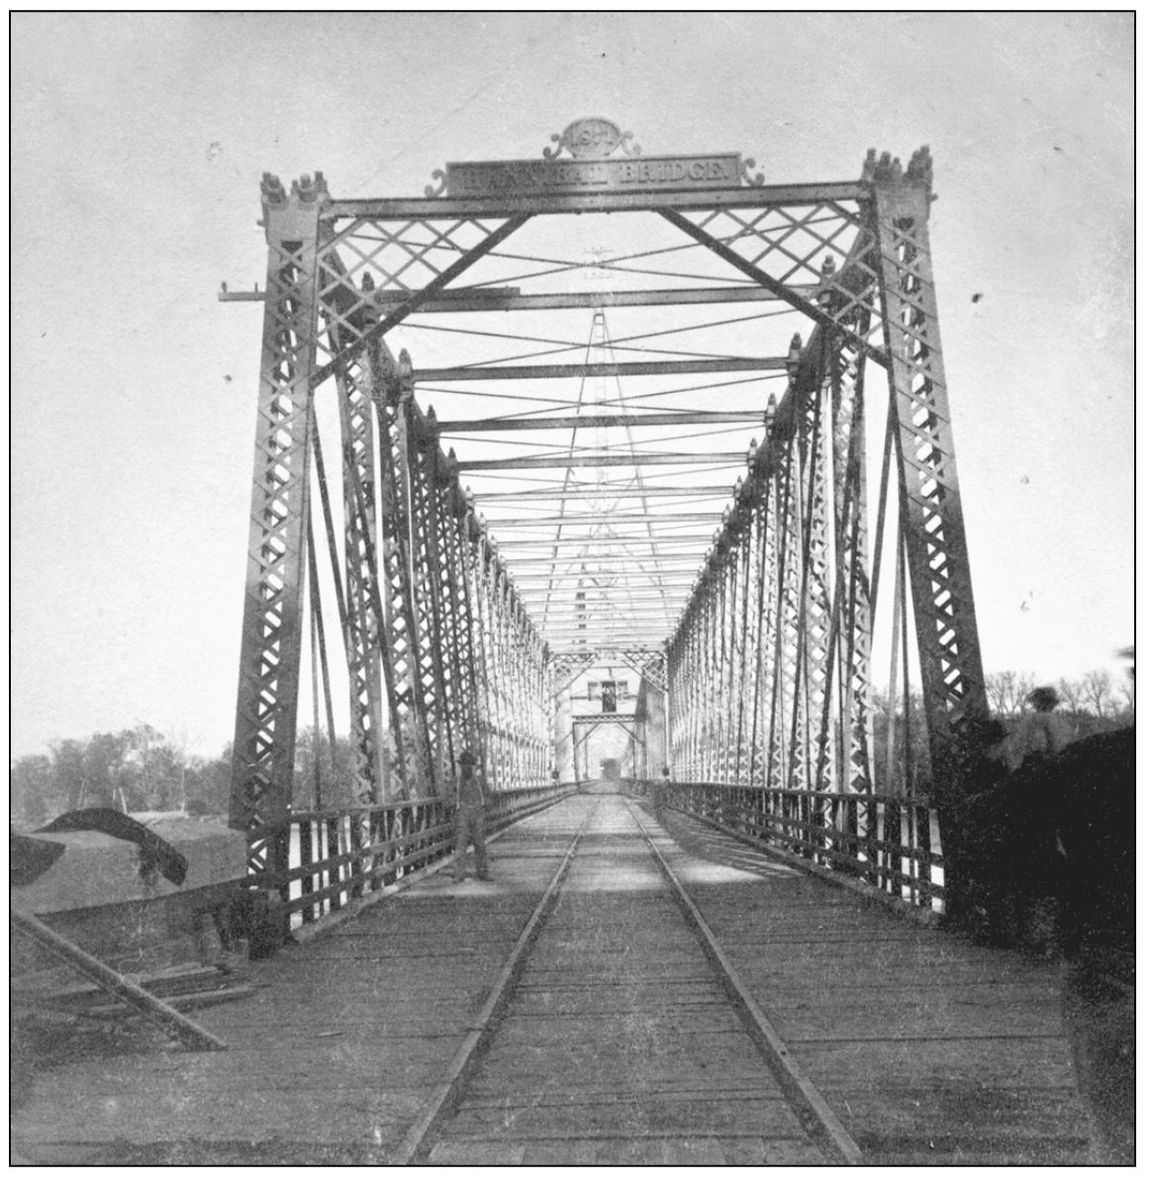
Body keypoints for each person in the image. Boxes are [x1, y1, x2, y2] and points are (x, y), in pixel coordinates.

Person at [453, 748, 489, 882]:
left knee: (480, 845)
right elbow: (447, 799)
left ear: (473, 766)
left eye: (470, 764)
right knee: (460, 846)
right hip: (462, 817)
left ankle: (482, 873)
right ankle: (458, 874)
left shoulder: (480, 781)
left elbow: (489, 797)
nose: (467, 767)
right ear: (461, 766)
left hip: (477, 816)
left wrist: (481, 808)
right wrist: (457, 806)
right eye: (465, 764)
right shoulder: (456, 782)